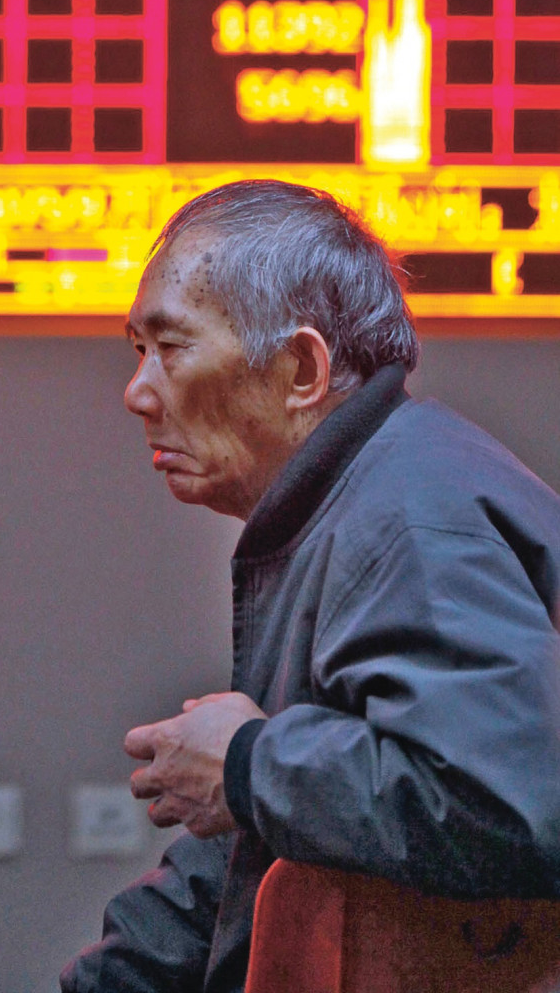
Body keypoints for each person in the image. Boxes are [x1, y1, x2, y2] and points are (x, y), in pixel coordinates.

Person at [61, 179, 560, 993]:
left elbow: (502, 807)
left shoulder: (407, 519)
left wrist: (246, 764)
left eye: (170, 348)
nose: (136, 392)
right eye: (135, 350)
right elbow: (260, 850)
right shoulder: (356, 502)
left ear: (300, 369)